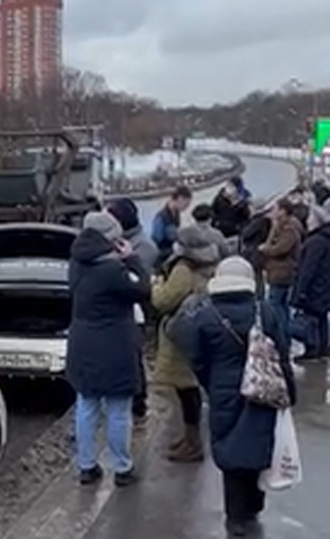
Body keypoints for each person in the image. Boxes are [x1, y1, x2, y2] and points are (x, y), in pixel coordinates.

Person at [176, 256, 296, 537]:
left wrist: (211, 382)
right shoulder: (264, 311)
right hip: (262, 387)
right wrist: (289, 390)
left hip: (223, 389)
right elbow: (282, 352)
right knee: (256, 443)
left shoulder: (207, 315)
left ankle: (235, 517)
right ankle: (253, 503)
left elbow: (197, 357)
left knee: (230, 448)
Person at [66, 211, 151, 487]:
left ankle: (86, 466)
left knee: (86, 405)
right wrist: (132, 259)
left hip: (82, 343)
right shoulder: (113, 271)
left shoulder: (75, 263)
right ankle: (122, 468)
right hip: (115, 344)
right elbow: (143, 290)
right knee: (118, 409)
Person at [152, 226, 220, 462]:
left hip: (180, 334)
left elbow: (164, 301)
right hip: (197, 330)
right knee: (190, 389)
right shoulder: (209, 264)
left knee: (185, 389)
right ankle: (190, 438)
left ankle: (193, 444)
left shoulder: (183, 268)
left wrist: (156, 285)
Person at [106, 197, 158, 425]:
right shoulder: (118, 242)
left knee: (134, 359)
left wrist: (126, 260)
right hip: (117, 311)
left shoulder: (143, 247)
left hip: (135, 313)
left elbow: (138, 283)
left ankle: (138, 403)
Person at [258, 198, 303, 339]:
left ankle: (282, 334)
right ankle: (284, 334)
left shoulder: (290, 229)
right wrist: (274, 225)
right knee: (280, 305)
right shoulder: (279, 226)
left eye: (275, 209)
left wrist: (265, 249)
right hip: (276, 272)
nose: (272, 212)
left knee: (276, 305)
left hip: (283, 273)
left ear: (283, 211)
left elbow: (279, 249)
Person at [291, 204, 330, 360]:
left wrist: (300, 291)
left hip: (314, 286)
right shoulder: (325, 239)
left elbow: (308, 268)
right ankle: (323, 347)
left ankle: (312, 348)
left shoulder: (315, 242)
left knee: (311, 318)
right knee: (321, 317)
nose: (307, 221)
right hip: (324, 284)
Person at [151, 186, 193, 266]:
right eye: (186, 204)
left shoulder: (176, 213)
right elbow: (156, 241)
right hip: (162, 258)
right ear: (180, 199)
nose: (187, 208)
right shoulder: (161, 217)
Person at [239, 198, 272, 299]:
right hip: (258, 252)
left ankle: (257, 296)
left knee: (255, 276)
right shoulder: (266, 221)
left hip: (253, 253)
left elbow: (246, 233)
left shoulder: (257, 221)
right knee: (258, 276)